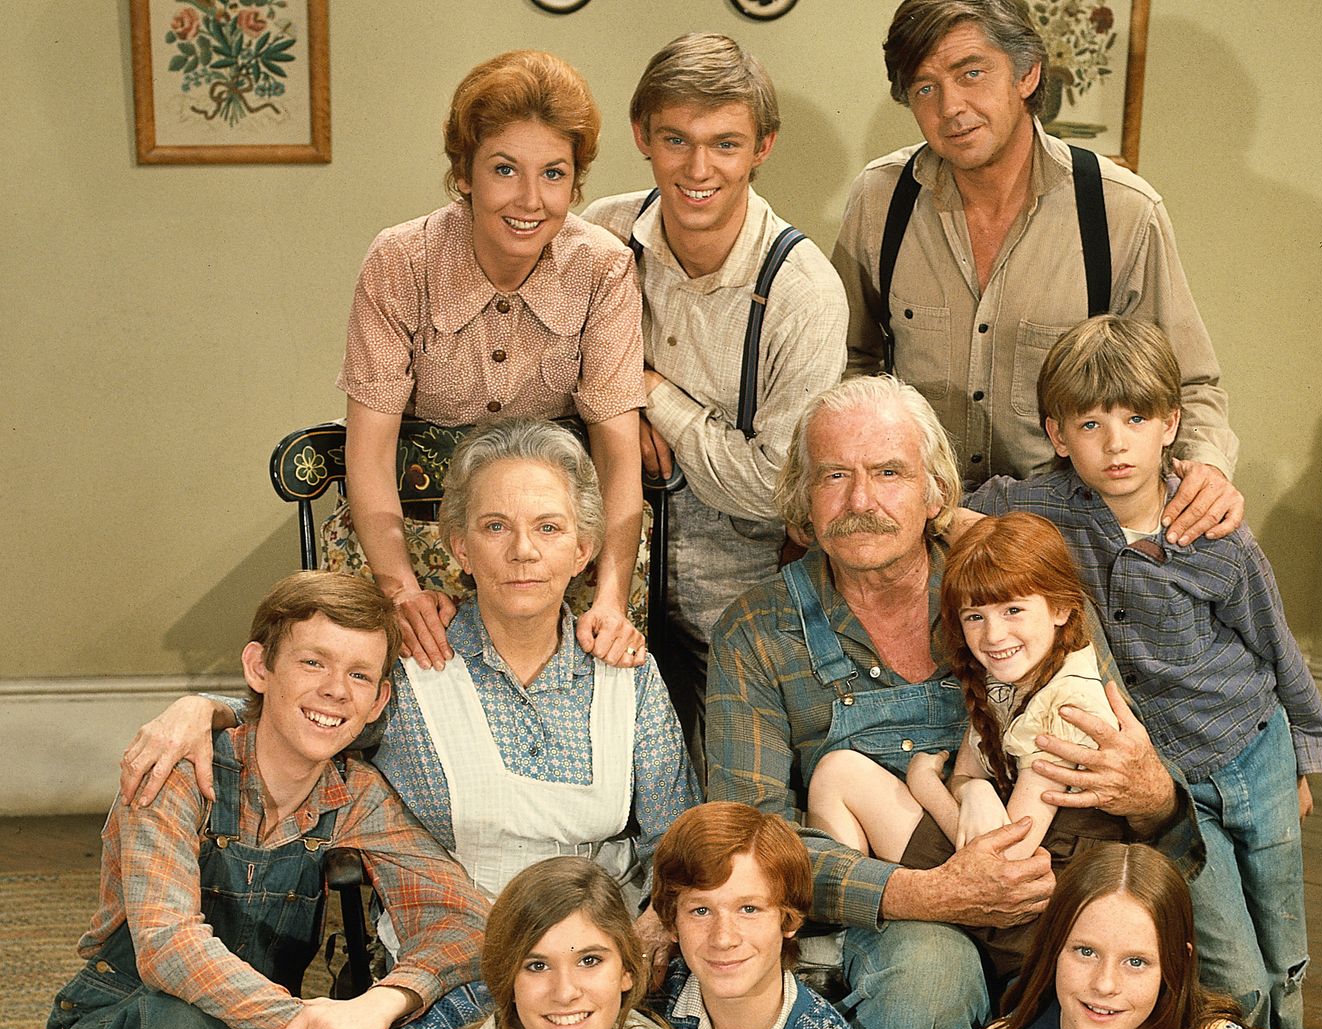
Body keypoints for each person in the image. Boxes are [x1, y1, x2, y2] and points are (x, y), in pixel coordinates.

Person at [705, 375, 1203, 1029]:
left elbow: (1148, 796)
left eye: (888, 473)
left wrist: (1152, 794)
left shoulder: (1010, 593)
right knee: (929, 978)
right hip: (885, 913)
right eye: (834, 477)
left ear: (935, 494)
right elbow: (741, 845)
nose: (860, 502)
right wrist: (927, 892)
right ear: (804, 503)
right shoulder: (756, 632)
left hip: (1049, 886)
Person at [124, 420, 700, 938]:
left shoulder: (626, 669)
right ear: (461, 549)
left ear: (583, 552)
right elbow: (308, 716)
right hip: (449, 946)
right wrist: (205, 706)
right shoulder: (412, 666)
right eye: (495, 526)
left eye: (548, 528)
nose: (523, 551)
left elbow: (675, 843)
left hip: (604, 947)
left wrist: (650, 937)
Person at [964, 315, 1322, 1029]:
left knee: (1284, 951)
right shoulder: (1042, 508)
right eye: (1091, 424)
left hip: (1251, 752)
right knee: (1232, 967)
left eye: (1135, 419)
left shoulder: (1215, 532)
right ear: (1059, 435)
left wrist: (1304, 756)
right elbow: (962, 503)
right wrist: (938, 515)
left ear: (1172, 424)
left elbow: (1278, 649)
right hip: (1165, 785)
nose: (1116, 443)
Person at [45, 572, 492, 1029]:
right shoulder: (178, 770)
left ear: (378, 702)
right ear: (259, 667)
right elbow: (168, 946)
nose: (336, 691)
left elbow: (469, 921)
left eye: (360, 676)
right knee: (178, 1023)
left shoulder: (355, 795)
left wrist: (384, 1002)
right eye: (312, 662)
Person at [832, 0, 1243, 547]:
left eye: (971, 74)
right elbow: (844, 364)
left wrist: (1206, 468)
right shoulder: (881, 198)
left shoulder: (1120, 212)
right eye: (925, 88)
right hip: (918, 534)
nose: (951, 107)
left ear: (1027, 73)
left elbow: (1187, 385)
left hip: (1069, 543)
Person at [335, 48, 646, 671]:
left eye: (554, 174)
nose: (530, 200)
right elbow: (368, 453)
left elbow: (618, 454)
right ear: (465, 173)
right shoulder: (400, 260)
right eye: (506, 170)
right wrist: (401, 591)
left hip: (549, 546)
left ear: (575, 182)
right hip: (414, 537)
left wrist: (611, 596)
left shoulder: (605, 267)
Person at [580, 33, 849, 736]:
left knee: (720, 806)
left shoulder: (803, 292)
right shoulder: (595, 236)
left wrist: (655, 397)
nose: (699, 169)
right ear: (642, 135)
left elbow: (774, 488)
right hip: (591, 567)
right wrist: (616, 403)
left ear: (762, 146)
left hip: (737, 592)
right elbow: (532, 376)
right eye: (676, 139)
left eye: (725, 144)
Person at [805, 513, 1125, 976]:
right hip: (1013, 885)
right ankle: (849, 941)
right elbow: (968, 773)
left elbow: (1007, 862)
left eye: (1013, 610)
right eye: (975, 616)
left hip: (1035, 915)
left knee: (838, 774)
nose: (994, 636)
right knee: (838, 770)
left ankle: (837, 949)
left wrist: (924, 785)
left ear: (1061, 608)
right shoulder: (1011, 676)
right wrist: (971, 790)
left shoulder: (1070, 703)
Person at [954, 844, 1265, 1029]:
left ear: (1177, 963)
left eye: (1136, 962)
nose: (1104, 984)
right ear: (1054, 947)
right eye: (1086, 952)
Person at [364, 856, 685, 1029]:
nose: (565, 992)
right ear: (508, 980)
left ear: (627, 971)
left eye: (589, 961)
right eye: (537, 965)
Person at [650, 801, 876, 1029]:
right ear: (672, 922)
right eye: (701, 911)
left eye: (749, 909)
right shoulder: (645, 1006)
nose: (723, 939)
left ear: (788, 918)